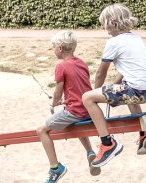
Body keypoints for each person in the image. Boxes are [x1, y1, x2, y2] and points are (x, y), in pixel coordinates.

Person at [82, 3, 146, 168]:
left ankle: (108, 144)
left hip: (137, 91)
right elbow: (128, 70)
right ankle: (144, 134)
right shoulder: (136, 38)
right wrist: (113, 86)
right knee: (124, 86)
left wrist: (95, 92)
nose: (104, 27)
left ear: (113, 22)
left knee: (87, 98)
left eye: (105, 23)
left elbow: (100, 74)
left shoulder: (114, 42)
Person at [36, 30, 101, 183]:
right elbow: (80, 88)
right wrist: (65, 101)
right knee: (73, 124)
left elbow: (58, 92)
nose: (53, 50)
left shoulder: (61, 67)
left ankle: (55, 167)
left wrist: (53, 103)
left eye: (53, 47)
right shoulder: (81, 63)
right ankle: (89, 152)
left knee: (41, 131)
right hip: (88, 109)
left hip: (76, 111)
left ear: (60, 48)